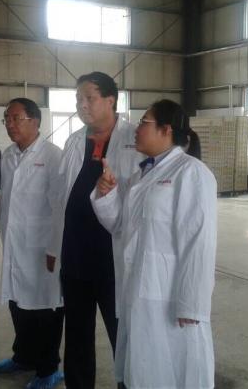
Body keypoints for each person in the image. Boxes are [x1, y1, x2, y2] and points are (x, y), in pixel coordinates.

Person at [91, 99, 217, 389]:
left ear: (166, 129)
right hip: (140, 290)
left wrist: (192, 303)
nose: (136, 129)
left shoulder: (191, 173)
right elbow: (119, 226)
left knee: (172, 370)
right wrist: (107, 195)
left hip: (171, 297)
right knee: (144, 370)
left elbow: (199, 242)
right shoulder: (142, 174)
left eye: (144, 122)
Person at [55, 72, 142, 389]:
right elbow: (61, 199)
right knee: (77, 334)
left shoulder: (136, 140)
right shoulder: (74, 140)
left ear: (111, 100)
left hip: (114, 258)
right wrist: (54, 248)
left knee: (124, 333)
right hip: (75, 255)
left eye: (89, 98)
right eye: (78, 99)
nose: (82, 105)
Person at [0, 98, 65, 389]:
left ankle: (49, 369)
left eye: (16, 118)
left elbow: (60, 208)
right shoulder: (8, 156)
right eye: (7, 119)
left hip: (43, 248)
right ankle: (23, 357)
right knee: (17, 302)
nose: (10, 124)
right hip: (15, 244)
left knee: (46, 308)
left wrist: (55, 248)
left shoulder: (53, 156)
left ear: (35, 121)